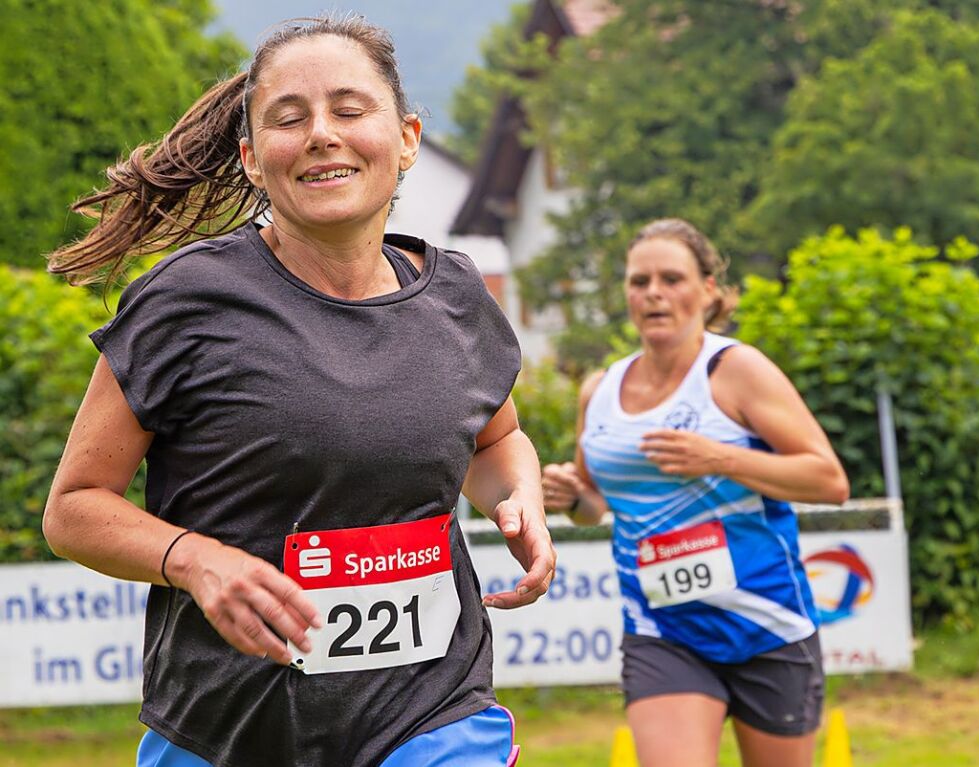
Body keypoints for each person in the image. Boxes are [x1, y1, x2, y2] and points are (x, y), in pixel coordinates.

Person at [42, 16, 554, 767]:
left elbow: (496, 439)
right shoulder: (188, 300)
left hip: (432, 713)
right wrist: (194, 559)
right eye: (290, 118)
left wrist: (522, 495)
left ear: (407, 136)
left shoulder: (457, 297)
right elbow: (74, 508)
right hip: (227, 730)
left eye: (350, 111)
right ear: (252, 157)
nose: (322, 134)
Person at [541, 218, 849, 767]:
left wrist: (720, 458)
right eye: (639, 281)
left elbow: (828, 480)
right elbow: (595, 508)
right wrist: (570, 496)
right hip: (662, 630)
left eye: (672, 278)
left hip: (767, 624)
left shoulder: (737, 371)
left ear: (709, 290)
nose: (654, 293)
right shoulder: (601, 389)